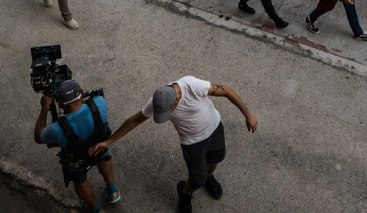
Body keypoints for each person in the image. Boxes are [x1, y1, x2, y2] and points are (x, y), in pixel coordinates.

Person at [89, 77, 258, 213]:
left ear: (176, 99)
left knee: (216, 159)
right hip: (192, 143)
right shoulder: (156, 101)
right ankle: (185, 192)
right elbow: (134, 121)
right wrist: (108, 142)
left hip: (214, 129)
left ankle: (209, 177)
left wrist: (248, 114)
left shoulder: (192, 86)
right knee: (196, 179)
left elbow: (226, 91)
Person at [33, 80, 121, 212]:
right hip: (99, 147)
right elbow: (86, 105)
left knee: (80, 182)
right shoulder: (99, 104)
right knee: (104, 158)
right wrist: (78, 99)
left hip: (77, 160)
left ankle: (96, 210)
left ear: (60, 104)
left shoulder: (57, 129)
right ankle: (113, 192)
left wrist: (45, 107)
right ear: (81, 93)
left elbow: (38, 137)